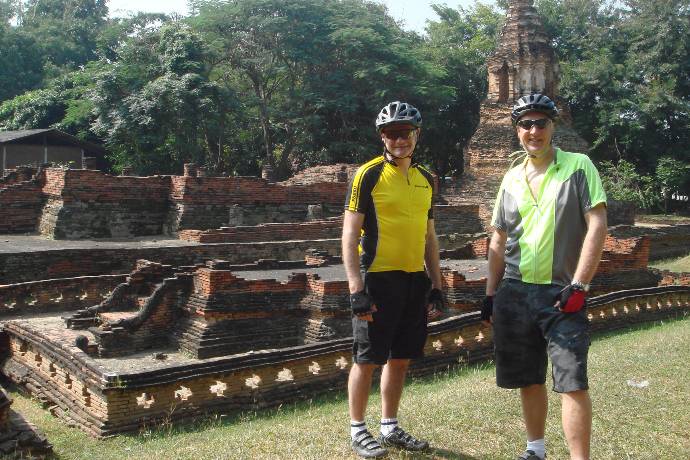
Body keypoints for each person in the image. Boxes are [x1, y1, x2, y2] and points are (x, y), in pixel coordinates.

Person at [481, 94, 608, 460]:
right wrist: (491, 293)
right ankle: (535, 449)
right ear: (517, 130)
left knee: (571, 380)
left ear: (553, 127)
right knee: (528, 377)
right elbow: (499, 237)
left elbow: (597, 223)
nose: (533, 131)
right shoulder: (511, 177)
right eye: (525, 124)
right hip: (516, 291)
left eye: (541, 123)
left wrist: (580, 285)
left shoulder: (578, 166)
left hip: (562, 291)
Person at [342, 101, 445, 458]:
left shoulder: (426, 178)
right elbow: (349, 233)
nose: (399, 139)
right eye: (391, 133)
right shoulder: (368, 174)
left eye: (406, 132)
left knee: (400, 357)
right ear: (382, 137)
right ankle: (358, 429)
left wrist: (437, 282)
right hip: (377, 279)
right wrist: (356, 290)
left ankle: (389, 426)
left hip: (414, 279)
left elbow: (430, 236)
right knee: (367, 358)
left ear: (417, 135)